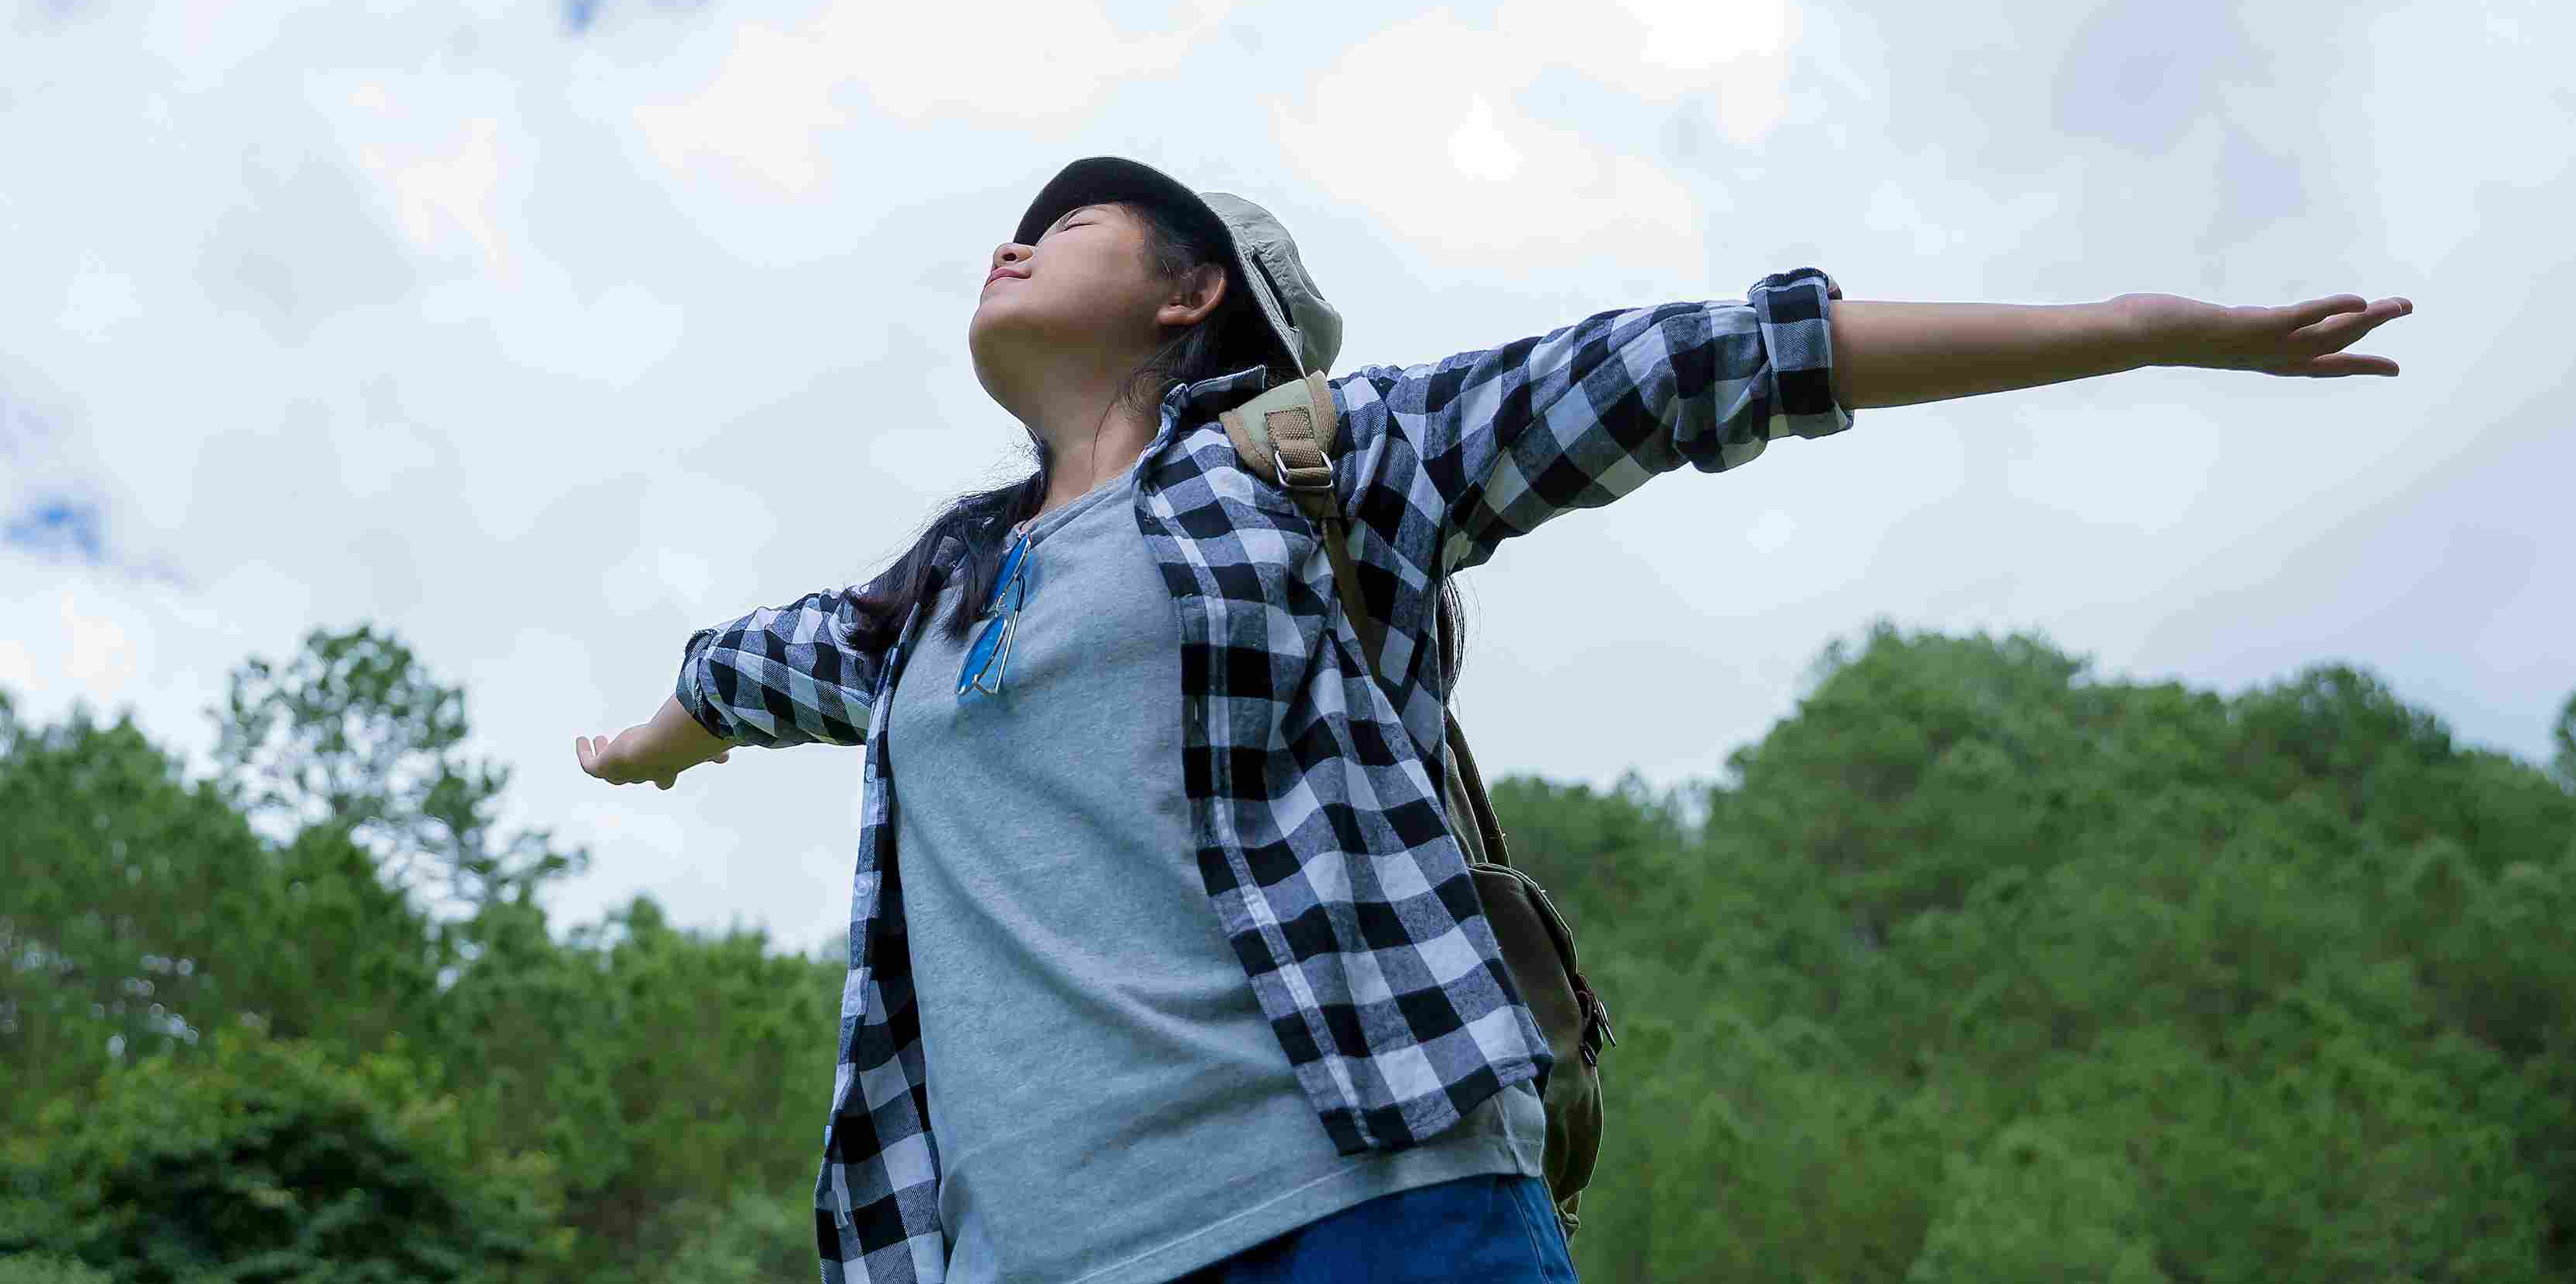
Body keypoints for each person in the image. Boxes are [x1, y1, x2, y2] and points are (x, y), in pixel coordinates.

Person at [575, 153, 2408, 1284]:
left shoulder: (1314, 462)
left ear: (1193, 291)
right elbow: (748, 663)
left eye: (1072, 225)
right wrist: (657, 733)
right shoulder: (924, 608)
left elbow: (1701, 363)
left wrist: (2132, 327)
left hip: (1361, 1209)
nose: (1016, 240)